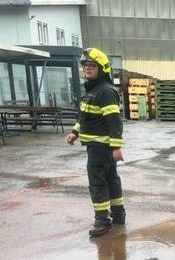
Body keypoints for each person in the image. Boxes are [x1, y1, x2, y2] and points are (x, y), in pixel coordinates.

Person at [66, 48, 125, 237]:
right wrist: (75, 132)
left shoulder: (105, 91)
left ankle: (102, 221)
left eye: (92, 65)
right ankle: (118, 215)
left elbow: (114, 122)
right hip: (98, 147)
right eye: (85, 65)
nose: (87, 69)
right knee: (111, 180)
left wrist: (116, 147)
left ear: (102, 69)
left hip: (101, 147)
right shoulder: (93, 91)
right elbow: (86, 117)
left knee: (97, 183)